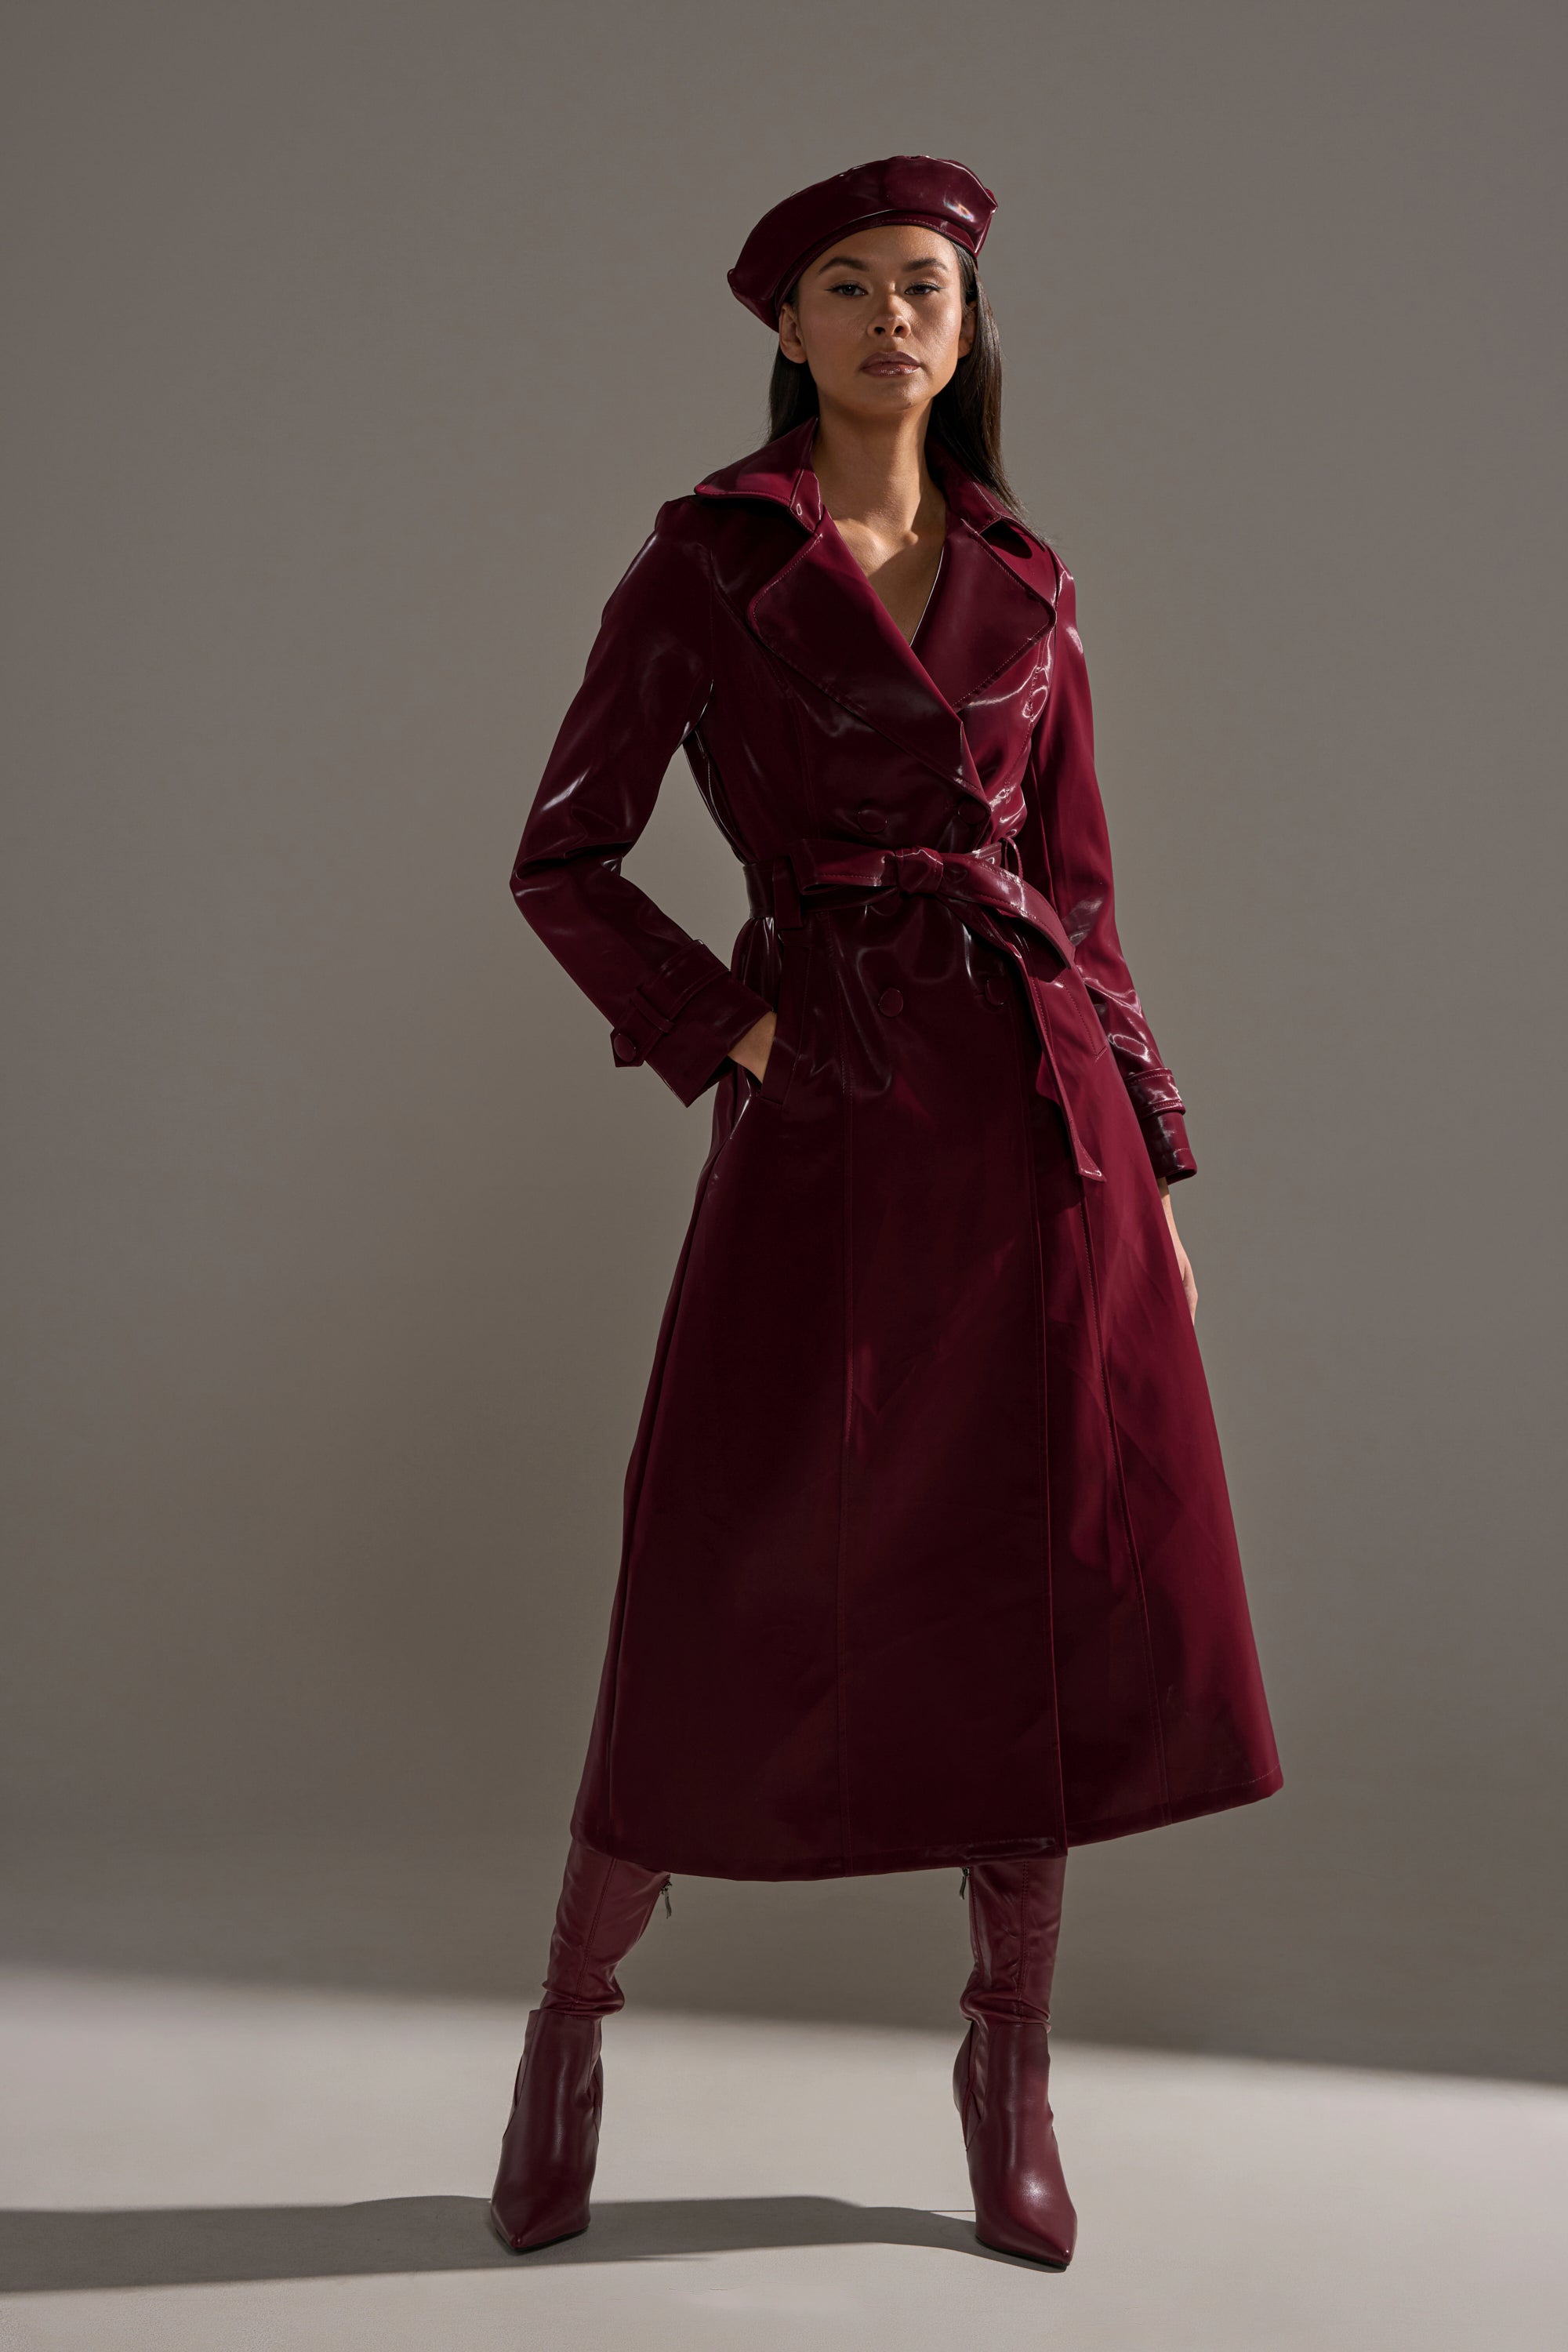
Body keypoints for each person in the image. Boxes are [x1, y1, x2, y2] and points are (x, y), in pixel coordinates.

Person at [490, 155, 1282, 2269]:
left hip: (1037, 1131)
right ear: (791, 334)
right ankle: (570, 2029)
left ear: (964, 321)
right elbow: (562, 860)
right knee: (718, 1567)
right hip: (830, 1114)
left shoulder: (1033, 578)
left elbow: (1085, 901)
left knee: (1022, 1589)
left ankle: (1008, 2068)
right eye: (845, 287)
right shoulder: (708, 563)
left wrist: (1158, 1158)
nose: (888, 315)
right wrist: (726, 1037)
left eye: (919, 282)